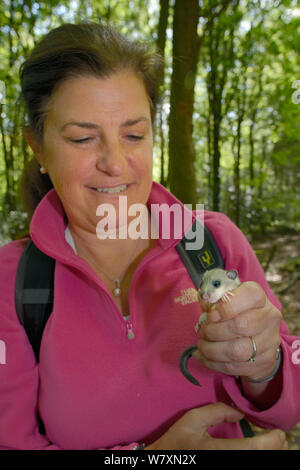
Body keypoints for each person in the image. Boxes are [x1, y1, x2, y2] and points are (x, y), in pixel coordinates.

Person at [0, 21, 298, 451]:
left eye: (134, 135)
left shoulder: (210, 243)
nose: (115, 164)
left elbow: (287, 406)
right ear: (39, 148)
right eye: (83, 138)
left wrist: (265, 367)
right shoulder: (12, 282)